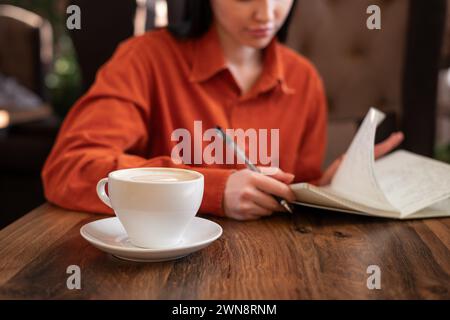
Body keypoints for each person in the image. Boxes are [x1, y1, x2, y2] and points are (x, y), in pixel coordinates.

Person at [42, 0, 403, 221]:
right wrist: (211, 190)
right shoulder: (144, 60)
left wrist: (324, 188)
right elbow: (69, 168)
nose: (267, 12)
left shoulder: (303, 79)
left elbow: (289, 192)